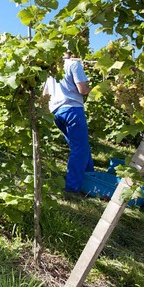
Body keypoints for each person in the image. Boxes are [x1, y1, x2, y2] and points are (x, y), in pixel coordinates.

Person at [43, 51, 94, 193]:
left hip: (56, 112)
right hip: (72, 110)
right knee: (80, 149)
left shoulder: (51, 68)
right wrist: (97, 90)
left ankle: (90, 176)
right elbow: (82, 90)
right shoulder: (74, 65)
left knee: (80, 146)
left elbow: (45, 95)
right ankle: (72, 187)